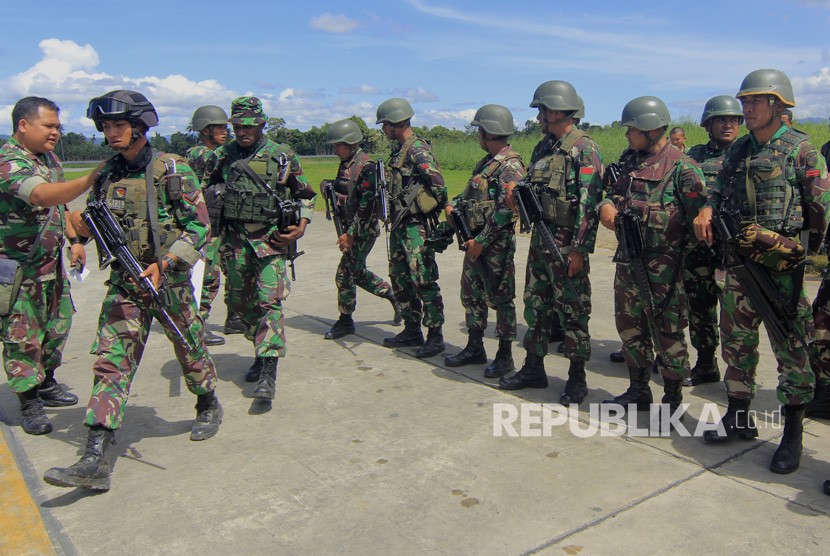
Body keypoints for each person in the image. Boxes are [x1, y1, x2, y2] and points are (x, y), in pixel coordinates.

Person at [43, 90, 221, 491]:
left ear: (140, 126)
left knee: (189, 348)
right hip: (125, 283)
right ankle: (97, 454)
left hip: (169, 282)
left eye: (118, 125)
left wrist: (167, 263)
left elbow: (199, 227)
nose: (111, 133)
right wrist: (78, 238)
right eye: (105, 126)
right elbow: (96, 221)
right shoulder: (106, 173)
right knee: (111, 362)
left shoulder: (172, 169)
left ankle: (208, 401)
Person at [694, 69, 830, 474]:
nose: (746, 109)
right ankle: (737, 415)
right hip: (738, 265)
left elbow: (819, 210)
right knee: (735, 342)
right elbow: (716, 190)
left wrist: (798, 257)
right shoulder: (739, 151)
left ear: (778, 105)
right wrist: (706, 207)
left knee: (792, 350)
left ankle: (792, 434)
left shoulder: (802, 151)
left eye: (755, 101)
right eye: (745, 101)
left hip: (780, 269)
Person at [498, 81, 604, 406]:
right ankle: (533, 368)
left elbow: (590, 205)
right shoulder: (543, 148)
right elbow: (531, 188)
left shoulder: (585, 149)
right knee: (536, 306)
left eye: (542, 110)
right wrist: (516, 193)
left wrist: (579, 249)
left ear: (557, 110)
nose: (539, 116)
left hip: (566, 244)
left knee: (573, 310)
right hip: (540, 242)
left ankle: (576, 377)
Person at [599, 96, 705, 417]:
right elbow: (613, 194)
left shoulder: (682, 167)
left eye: (631, 129)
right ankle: (638, 389)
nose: (627, 134)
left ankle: (672, 402)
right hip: (629, 260)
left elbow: (699, 217)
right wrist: (606, 206)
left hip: (666, 268)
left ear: (649, 128)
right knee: (630, 326)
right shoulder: (630, 161)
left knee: (668, 332)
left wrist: (640, 215)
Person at [0, 96, 95, 435]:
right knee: (22, 336)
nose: (56, 132)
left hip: (50, 264)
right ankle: (28, 401)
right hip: (19, 269)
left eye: (58, 126)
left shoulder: (50, 158)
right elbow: (41, 196)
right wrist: (91, 178)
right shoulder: (8, 162)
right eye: (49, 126)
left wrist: (74, 242)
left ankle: (46, 381)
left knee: (58, 324)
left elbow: (61, 204)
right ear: (23, 125)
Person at [210, 96, 316, 399]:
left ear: (261, 124)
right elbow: (203, 191)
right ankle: (259, 350)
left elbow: (306, 195)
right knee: (242, 307)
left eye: (249, 125)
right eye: (237, 126)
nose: (242, 131)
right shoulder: (222, 156)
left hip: (271, 241)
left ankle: (269, 371)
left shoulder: (282, 155)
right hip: (235, 243)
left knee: (269, 302)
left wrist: (302, 224)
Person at [444, 105, 525, 377]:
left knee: (501, 299)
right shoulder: (487, 163)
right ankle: (475, 346)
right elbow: (472, 195)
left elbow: (507, 209)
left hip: (495, 246)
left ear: (489, 131)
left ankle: (505, 355)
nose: (478, 135)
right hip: (474, 242)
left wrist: (482, 240)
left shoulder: (511, 165)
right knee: (472, 294)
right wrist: (453, 205)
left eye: (480, 130)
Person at [376, 98, 449, 358]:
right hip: (399, 225)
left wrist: (426, 210)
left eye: (385, 124)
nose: (384, 130)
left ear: (396, 122)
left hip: (416, 227)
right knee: (400, 276)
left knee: (423, 278)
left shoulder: (417, 149)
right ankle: (411, 328)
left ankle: (435, 335)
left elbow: (439, 187)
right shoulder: (399, 151)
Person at [682, 96, 743, 386]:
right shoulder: (694, 156)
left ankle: (740, 377)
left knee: (736, 313)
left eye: (734, 120)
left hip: (735, 247)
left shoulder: (747, 155)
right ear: (708, 124)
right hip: (699, 246)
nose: (728, 124)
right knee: (700, 306)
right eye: (721, 119)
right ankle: (705, 363)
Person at [321, 119, 400, 340]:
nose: (335, 149)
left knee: (344, 273)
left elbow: (368, 206)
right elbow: (347, 191)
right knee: (357, 273)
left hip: (362, 231)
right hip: (350, 228)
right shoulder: (347, 163)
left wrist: (351, 234)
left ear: (351, 143)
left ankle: (346, 321)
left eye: (338, 145)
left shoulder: (366, 167)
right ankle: (391, 294)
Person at [186, 105, 229, 346]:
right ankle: (197, 326)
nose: (225, 132)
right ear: (205, 130)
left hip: (208, 222)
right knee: (208, 279)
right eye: (220, 127)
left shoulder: (197, 152)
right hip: (206, 225)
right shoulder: (204, 154)